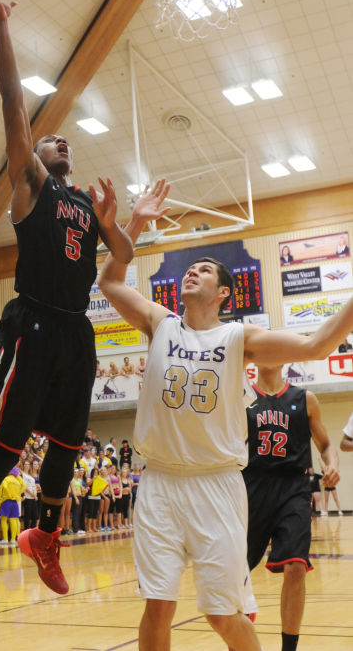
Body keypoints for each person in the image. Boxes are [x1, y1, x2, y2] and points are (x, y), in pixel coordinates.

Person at [0, 0, 132, 602]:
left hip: (76, 327)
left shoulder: (84, 204)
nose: (60, 140)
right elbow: (11, 102)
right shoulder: (32, 189)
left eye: (64, 139)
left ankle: (44, 536)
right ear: (32, 157)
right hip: (37, 319)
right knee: (9, 443)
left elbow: (122, 259)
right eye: (50, 140)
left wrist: (116, 224)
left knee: (70, 442)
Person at [98, 178, 353, 651]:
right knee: (157, 604)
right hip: (159, 484)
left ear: (223, 294)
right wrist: (134, 222)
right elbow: (110, 281)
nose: (191, 273)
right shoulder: (159, 322)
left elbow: (317, 344)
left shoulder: (239, 338)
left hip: (217, 484)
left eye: (203, 270)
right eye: (188, 268)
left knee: (221, 613)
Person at [244, 364, 340, 651]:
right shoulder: (242, 398)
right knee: (237, 573)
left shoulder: (305, 398)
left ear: (285, 357)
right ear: (256, 357)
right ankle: (241, 633)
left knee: (296, 566)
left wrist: (331, 463)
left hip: (294, 489)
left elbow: (325, 444)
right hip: (252, 489)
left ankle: (289, 648)